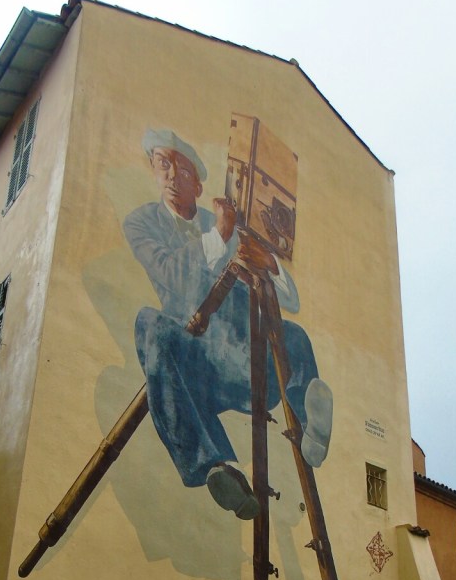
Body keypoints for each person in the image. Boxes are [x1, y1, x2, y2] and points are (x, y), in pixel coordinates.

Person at [123, 128, 332, 520]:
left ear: (199, 186)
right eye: (163, 164)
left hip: (246, 361)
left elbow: (291, 301)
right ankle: (218, 469)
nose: (172, 176)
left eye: (183, 170)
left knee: (294, 335)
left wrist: (270, 264)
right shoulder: (143, 223)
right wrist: (219, 234)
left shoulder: (228, 223)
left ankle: (311, 426)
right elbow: (172, 274)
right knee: (149, 323)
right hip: (197, 364)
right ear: (153, 169)